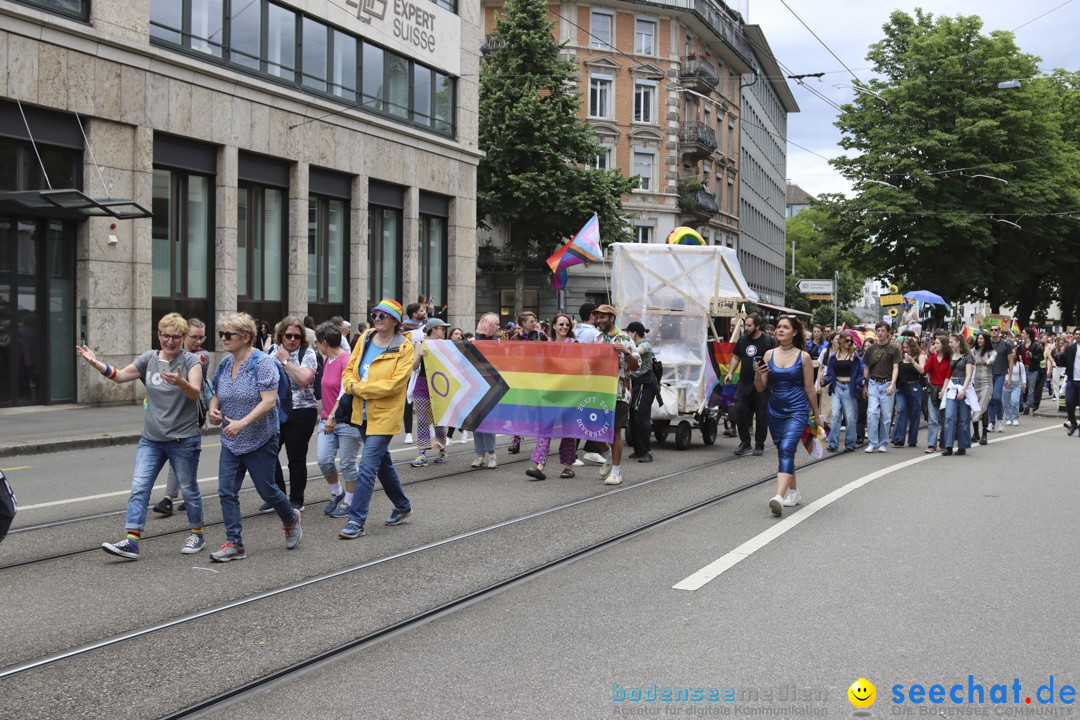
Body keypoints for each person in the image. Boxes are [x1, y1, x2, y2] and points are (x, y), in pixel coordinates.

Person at [80, 313, 206, 559]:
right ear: (159, 335)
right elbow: (119, 376)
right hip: (152, 439)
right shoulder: (149, 358)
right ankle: (132, 541)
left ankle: (197, 534)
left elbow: (195, 393)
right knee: (139, 487)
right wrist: (96, 363)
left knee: (189, 489)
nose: (170, 341)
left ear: (183, 338)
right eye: (165, 336)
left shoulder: (191, 361)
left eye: (175, 337)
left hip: (183, 439)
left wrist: (180, 382)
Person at [206, 312, 301, 561]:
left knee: (267, 490)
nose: (223, 339)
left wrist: (243, 423)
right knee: (226, 490)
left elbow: (269, 402)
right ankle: (234, 543)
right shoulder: (225, 364)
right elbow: (217, 392)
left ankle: (290, 518)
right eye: (221, 334)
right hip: (231, 438)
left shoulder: (263, 363)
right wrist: (213, 409)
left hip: (260, 437)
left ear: (246, 337)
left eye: (228, 334)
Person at [337, 299, 415, 539]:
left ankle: (356, 520)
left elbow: (394, 385)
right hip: (360, 413)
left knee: (368, 467)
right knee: (383, 464)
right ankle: (402, 506)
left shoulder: (405, 348)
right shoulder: (366, 337)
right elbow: (350, 369)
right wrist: (351, 384)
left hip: (385, 414)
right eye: (375, 314)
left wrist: (359, 389)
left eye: (383, 315)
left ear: (395, 321)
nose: (377, 319)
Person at [754, 316, 823, 516]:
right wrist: (758, 374)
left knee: (787, 448)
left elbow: (810, 389)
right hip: (775, 410)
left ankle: (778, 497)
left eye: (785, 327)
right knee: (783, 450)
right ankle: (794, 492)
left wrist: (817, 415)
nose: (780, 330)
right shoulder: (768, 355)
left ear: (794, 332)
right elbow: (761, 388)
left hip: (798, 409)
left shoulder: (804, 357)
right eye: (778, 327)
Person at [152, 317, 211, 516]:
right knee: (179, 456)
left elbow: (191, 386)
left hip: (192, 410)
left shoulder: (200, 356)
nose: (198, 342)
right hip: (169, 411)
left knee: (181, 454)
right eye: (194, 337)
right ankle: (182, 495)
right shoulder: (167, 355)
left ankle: (170, 498)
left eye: (202, 337)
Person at [266, 316, 319, 512]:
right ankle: (278, 496)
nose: (292, 339)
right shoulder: (271, 351)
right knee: (268, 455)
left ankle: (296, 499)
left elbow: (304, 380)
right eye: (288, 335)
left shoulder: (308, 354)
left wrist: (286, 361)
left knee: (296, 458)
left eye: (297, 336)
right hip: (275, 411)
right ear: (281, 335)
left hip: (302, 412)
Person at [314, 321, 359, 519]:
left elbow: (344, 393)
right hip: (326, 420)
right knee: (324, 460)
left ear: (324, 343)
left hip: (346, 421)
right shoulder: (326, 361)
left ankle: (349, 500)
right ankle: (337, 492)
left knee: (348, 464)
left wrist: (331, 416)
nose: (316, 346)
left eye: (317, 343)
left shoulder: (347, 360)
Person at [526, 314, 579, 480]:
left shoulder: (575, 345)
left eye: (567, 325)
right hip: (550, 392)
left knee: (569, 430)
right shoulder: (546, 345)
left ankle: (568, 467)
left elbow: (580, 366)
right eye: (561, 324)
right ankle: (540, 466)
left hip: (569, 392)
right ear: (554, 326)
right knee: (545, 428)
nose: (564, 327)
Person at [592, 304, 640, 485]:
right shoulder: (597, 338)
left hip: (619, 392)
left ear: (612, 318)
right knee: (592, 430)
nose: (599, 320)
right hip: (598, 391)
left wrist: (626, 351)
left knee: (614, 432)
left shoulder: (625, 338)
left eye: (603, 317)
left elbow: (636, 366)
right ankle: (608, 456)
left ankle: (616, 471)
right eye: (598, 317)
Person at [726, 313, 776, 457]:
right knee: (739, 410)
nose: (746, 328)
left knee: (761, 415)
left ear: (757, 326)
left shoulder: (768, 341)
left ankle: (759, 444)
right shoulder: (742, 340)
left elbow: (775, 359)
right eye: (745, 325)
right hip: (745, 383)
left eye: (749, 326)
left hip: (762, 384)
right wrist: (730, 372)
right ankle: (745, 442)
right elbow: (736, 356)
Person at [506, 312, 549, 455]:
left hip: (538, 378)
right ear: (523, 323)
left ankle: (541, 441)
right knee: (518, 409)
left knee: (538, 409)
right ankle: (516, 440)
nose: (534, 323)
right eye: (531, 321)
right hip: (521, 379)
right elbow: (509, 357)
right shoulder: (514, 338)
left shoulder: (541, 336)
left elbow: (550, 352)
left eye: (535, 320)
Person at [410, 318, 450, 466]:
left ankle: (441, 449)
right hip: (422, 384)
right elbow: (413, 367)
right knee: (422, 420)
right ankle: (422, 453)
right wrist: (420, 354)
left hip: (439, 385)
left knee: (439, 420)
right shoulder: (420, 343)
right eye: (442, 329)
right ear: (434, 329)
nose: (444, 331)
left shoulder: (445, 345)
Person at [820, 331, 863, 453]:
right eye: (847, 341)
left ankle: (850, 444)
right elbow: (830, 373)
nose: (849, 343)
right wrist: (824, 380)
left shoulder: (854, 356)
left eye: (851, 341)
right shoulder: (834, 357)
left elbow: (860, 371)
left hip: (850, 387)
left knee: (850, 417)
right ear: (841, 341)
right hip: (837, 386)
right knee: (835, 415)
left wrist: (861, 383)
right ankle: (833, 443)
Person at [862, 322, 900, 453]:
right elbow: (866, 367)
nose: (880, 333)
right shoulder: (871, 349)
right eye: (878, 330)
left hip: (887, 383)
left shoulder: (894, 349)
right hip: (873, 382)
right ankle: (872, 442)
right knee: (872, 413)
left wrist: (892, 384)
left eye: (883, 330)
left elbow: (896, 367)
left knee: (886, 416)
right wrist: (865, 383)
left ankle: (883, 442)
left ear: (888, 332)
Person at [470, 313, 502, 468]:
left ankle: (491, 454)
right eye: (496, 324)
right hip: (476, 385)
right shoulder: (474, 341)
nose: (499, 327)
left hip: (493, 385)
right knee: (476, 421)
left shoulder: (498, 342)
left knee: (488, 421)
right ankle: (480, 454)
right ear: (489, 325)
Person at [625, 321, 657, 463]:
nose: (627, 336)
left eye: (628, 333)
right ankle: (638, 449)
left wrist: (624, 349)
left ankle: (647, 451)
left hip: (646, 385)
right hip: (635, 385)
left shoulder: (644, 345)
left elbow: (636, 354)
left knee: (642, 418)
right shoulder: (634, 345)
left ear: (634, 333)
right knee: (633, 418)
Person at [941, 333, 975, 456]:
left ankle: (963, 445)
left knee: (964, 418)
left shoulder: (968, 357)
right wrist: (945, 389)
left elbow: (969, 375)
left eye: (951, 342)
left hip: (963, 385)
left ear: (958, 342)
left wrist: (963, 390)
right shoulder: (950, 356)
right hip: (952, 385)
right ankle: (948, 446)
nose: (949, 344)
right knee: (949, 416)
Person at [399, 303, 428, 445]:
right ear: (415, 314)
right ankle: (408, 433)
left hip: (425, 367)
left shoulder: (426, 327)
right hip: (409, 367)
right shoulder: (403, 329)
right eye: (422, 310)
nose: (425, 311)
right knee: (407, 400)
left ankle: (431, 429)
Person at [891, 337, 927, 448]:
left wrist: (912, 361)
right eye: (904, 347)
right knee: (901, 410)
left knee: (915, 414)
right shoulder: (900, 356)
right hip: (902, 387)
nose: (906, 350)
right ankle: (898, 438)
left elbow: (922, 370)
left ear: (912, 347)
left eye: (908, 347)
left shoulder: (919, 356)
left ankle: (912, 440)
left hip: (915, 386)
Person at [923, 334, 952, 452]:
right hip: (933, 389)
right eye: (934, 343)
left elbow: (948, 376)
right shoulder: (933, 356)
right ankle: (931, 444)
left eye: (937, 343)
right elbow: (925, 369)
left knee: (945, 419)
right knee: (933, 419)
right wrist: (931, 355)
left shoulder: (949, 359)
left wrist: (943, 390)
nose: (934, 345)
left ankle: (944, 443)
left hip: (944, 389)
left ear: (943, 345)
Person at [970, 331, 996, 446]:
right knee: (974, 407)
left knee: (983, 407)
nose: (979, 340)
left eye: (982, 339)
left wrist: (986, 361)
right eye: (978, 339)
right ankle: (976, 433)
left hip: (987, 383)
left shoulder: (992, 352)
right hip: (975, 383)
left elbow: (991, 361)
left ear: (986, 340)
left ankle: (984, 435)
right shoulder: (973, 351)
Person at [987, 325, 1014, 432]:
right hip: (988, 374)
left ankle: (1000, 421)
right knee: (989, 399)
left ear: (999, 331)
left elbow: (1011, 361)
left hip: (1000, 374)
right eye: (992, 330)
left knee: (997, 397)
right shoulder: (988, 343)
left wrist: (1010, 378)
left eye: (996, 330)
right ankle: (991, 422)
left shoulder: (1006, 344)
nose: (993, 331)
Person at [1020, 327, 1044, 415]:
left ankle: (1028, 407)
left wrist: (1032, 356)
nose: (1022, 334)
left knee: (1031, 389)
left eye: (1023, 333)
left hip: (1032, 369)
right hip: (1023, 368)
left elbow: (1041, 357)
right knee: (1022, 388)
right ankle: (1021, 405)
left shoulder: (1036, 345)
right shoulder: (1022, 345)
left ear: (1028, 334)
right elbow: (1017, 354)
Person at [1063, 328, 1080, 436]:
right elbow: (1064, 362)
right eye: (1076, 334)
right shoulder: (1070, 348)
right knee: (1069, 401)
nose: (1078, 336)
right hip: (1072, 379)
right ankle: (1073, 423)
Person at [1003, 348, 1025, 427]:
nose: (1012, 355)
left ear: (1016, 355)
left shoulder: (1020, 364)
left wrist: (1024, 383)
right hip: (1006, 384)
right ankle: (1008, 418)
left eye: (1013, 353)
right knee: (1006, 403)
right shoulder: (1005, 364)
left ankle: (1015, 417)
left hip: (1016, 384)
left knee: (1015, 401)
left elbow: (1023, 374)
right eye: (1010, 353)